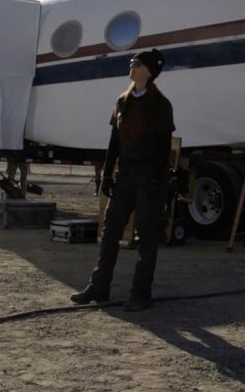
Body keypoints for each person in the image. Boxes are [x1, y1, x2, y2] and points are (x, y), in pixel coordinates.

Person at [71, 48, 174, 311]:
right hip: (125, 176)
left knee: (146, 235)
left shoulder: (161, 105)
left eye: (136, 62)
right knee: (110, 231)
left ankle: (141, 294)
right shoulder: (122, 102)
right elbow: (114, 143)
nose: (131, 64)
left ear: (148, 71)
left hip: (147, 178)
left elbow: (164, 148)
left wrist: (158, 181)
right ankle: (99, 287)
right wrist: (107, 174)